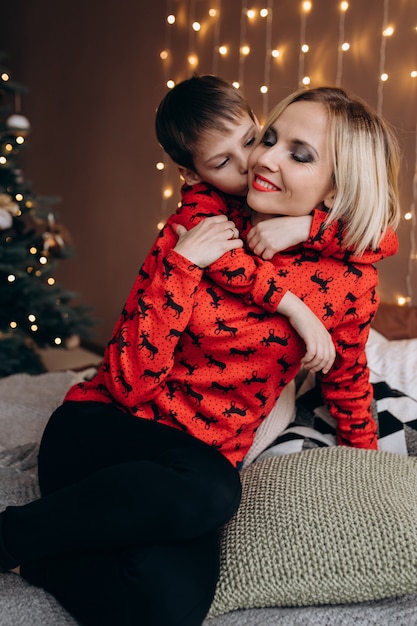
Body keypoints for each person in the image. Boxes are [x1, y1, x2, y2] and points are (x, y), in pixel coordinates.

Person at [0, 85, 400, 626]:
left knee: (171, 607)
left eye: (296, 154)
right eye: (272, 138)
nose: (262, 158)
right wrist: (181, 268)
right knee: (214, 488)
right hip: (103, 430)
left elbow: (350, 379)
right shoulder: (206, 220)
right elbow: (126, 383)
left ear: (338, 184)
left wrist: (370, 475)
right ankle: (11, 534)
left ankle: (41, 559)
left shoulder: (351, 283)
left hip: (180, 481)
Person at [156, 74, 335, 373]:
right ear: (191, 174)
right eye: (222, 163)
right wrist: (297, 310)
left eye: (252, 140)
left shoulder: (292, 188)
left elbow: (378, 238)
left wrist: (306, 227)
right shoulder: (200, 210)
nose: (247, 163)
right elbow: (231, 265)